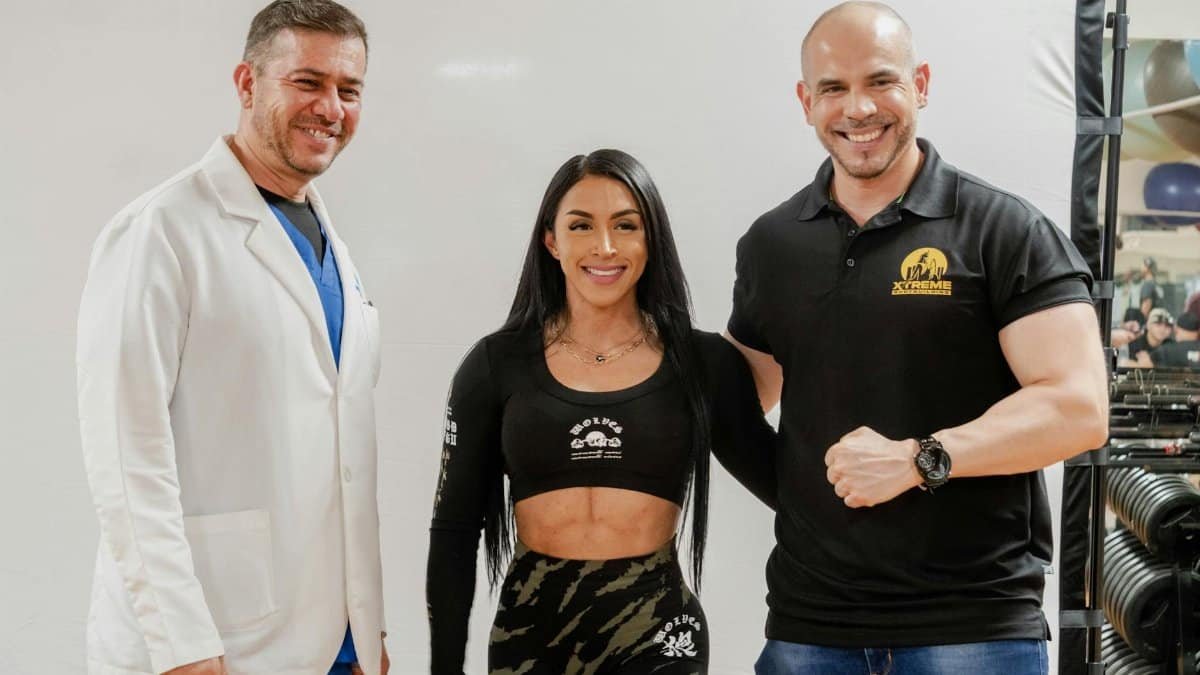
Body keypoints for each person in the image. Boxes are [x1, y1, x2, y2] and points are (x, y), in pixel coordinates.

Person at [724, 3, 1109, 673]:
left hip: (973, 628)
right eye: (834, 88)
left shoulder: (1002, 230)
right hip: (809, 629)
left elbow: (1079, 407)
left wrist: (921, 457)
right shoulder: (773, 243)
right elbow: (738, 399)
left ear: (921, 84)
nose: (858, 108)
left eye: (881, 81)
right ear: (805, 100)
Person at [76, 2, 388, 674]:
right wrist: (181, 643)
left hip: (331, 644)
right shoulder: (161, 231)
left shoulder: (332, 248)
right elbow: (126, 455)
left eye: (349, 89)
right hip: (210, 642)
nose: (330, 108)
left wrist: (366, 629)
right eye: (308, 83)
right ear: (247, 84)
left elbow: (346, 459)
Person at [426, 150, 777, 674]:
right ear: (552, 240)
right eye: (581, 225)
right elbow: (454, 530)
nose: (605, 247)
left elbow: (788, 488)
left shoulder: (701, 363)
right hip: (532, 634)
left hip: (656, 632)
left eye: (626, 225)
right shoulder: (496, 364)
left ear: (650, 239)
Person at [1137, 257, 1162, 322]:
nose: (1140, 268)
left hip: (1150, 323)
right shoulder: (1156, 284)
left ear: (1147, 268)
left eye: (1142, 266)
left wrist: (1141, 322)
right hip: (1157, 322)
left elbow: (1146, 305)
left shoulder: (1147, 285)